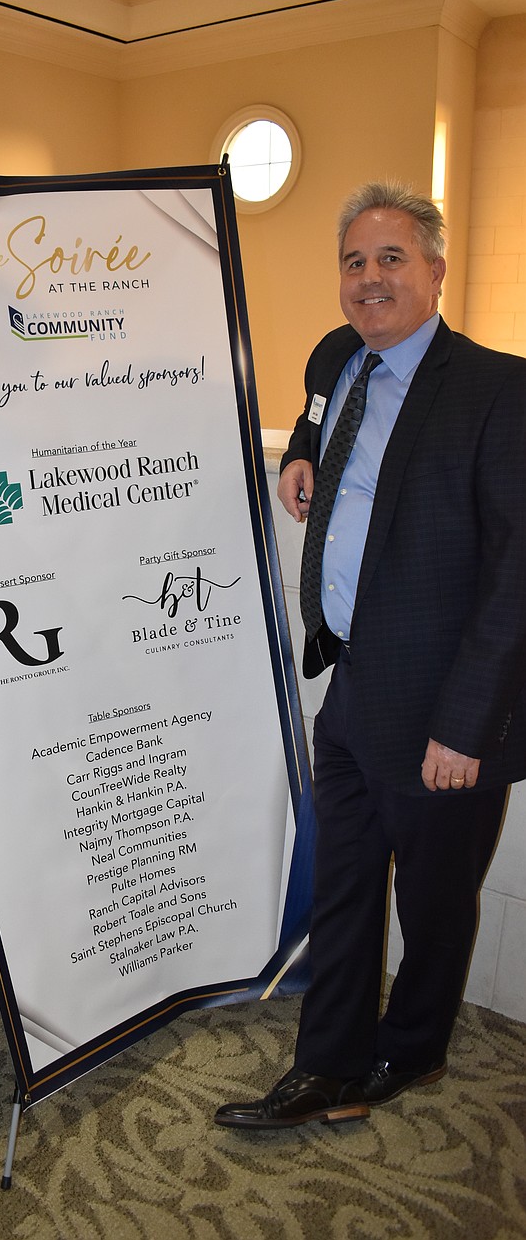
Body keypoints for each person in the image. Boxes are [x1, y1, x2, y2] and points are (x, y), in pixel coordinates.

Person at [215, 181, 526, 1131]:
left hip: (442, 712)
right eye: (354, 261)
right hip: (348, 687)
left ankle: (414, 1049)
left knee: (435, 903)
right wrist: (297, 450)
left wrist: (467, 724)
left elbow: (518, 569)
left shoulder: (499, 387)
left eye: (392, 258)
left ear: (436, 269)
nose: (370, 277)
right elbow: (318, 413)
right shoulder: (338, 355)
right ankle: (327, 1063)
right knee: (344, 889)